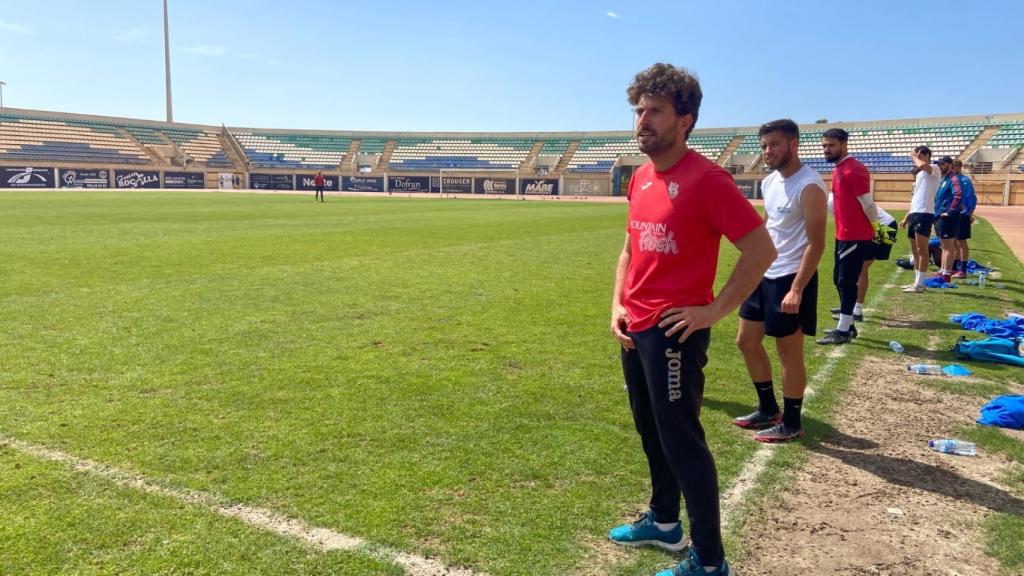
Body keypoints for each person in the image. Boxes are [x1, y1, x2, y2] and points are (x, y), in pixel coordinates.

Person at [608, 63, 775, 576]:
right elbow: (631, 246)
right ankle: (663, 523)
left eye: (655, 111)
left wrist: (712, 311)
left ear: (686, 120)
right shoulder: (640, 176)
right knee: (650, 430)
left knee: (682, 440)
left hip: (674, 332)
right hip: (634, 326)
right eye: (639, 110)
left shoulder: (709, 180)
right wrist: (617, 302)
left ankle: (709, 560)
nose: (642, 120)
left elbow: (760, 249)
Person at [733, 119, 826, 442]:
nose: (767, 152)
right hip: (764, 273)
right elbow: (767, 225)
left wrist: (797, 289)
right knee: (746, 341)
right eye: (764, 146)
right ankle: (767, 407)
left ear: (793, 144)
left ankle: (792, 421)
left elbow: (817, 244)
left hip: (790, 278)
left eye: (773, 144)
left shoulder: (810, 186)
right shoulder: (770, 181)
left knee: (789, 353)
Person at [816, 128, 879, 345]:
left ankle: (843, 330)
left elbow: (868, 203)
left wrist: (876, 228)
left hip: (856, 236)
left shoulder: (853, 169)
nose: (826, 150)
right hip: (843, 234)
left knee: (846, 280)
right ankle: (848, 324)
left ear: (844, 144)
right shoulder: (838, 169)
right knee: (839, 279)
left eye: (831, 145)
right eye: (824, 146)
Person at [899, 146, 941, 293]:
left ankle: (920, 285)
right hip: (915, 213)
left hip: (925, 213)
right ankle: (917, 282)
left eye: (920, 154)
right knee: (915, 250)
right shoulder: (919, 175)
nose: (918, 157)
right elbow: (915, 198)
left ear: (927, 155)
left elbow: (923, 165)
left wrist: (913, 157)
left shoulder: (934, 169)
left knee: (922, 250)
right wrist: (906, 217)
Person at [932, 156, 962, 283]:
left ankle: (946, 274)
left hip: (947, 217)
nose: (940, 166)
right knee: (944, 246)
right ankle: (942, 271)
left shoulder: (953, 179)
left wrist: (949, 211)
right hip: (939, 215)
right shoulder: (943, 179)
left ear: (950, 165)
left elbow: (958, 195)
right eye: (939, 164)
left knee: (948, 246)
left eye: (942, 164)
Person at [952, 159, 977, 278]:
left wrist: (969, 214)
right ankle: (956, 268)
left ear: (959, 167)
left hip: (962, 215)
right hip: (953, 214)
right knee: (954, 242)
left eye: (954, 167)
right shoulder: (952, 180)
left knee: (962, 242)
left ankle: (963, 270)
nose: (952, 169)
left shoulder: (965, 180)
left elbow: (972, 198)